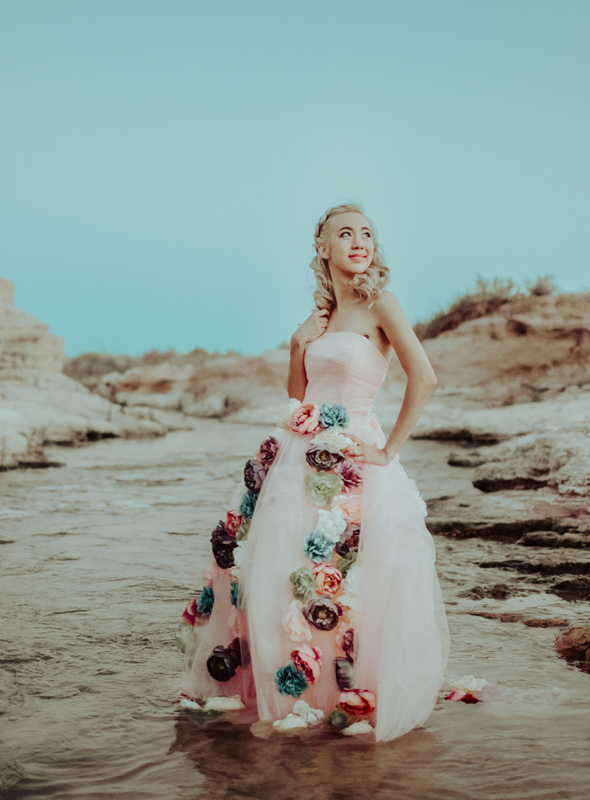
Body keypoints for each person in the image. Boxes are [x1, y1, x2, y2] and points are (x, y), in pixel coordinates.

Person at [178, 204, 451, 742]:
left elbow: (425, 377)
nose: (359, 242)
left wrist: (388, 450)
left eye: (367, 233)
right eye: (344, 234)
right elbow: (299, 396)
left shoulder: (381, 304)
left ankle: (342, 693)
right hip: (295, 456)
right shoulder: (321, 320)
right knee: (279, 573)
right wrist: (301, 343)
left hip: (352, 457)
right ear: (321, 249)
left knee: (348, 573)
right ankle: (291, 697)